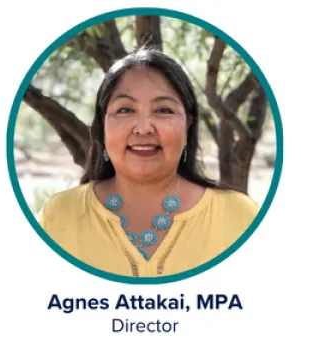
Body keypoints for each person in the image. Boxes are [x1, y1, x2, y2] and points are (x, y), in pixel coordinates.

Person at [39, 47, 259, 277]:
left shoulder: (240, 216)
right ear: (102, 127)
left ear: (188, 126)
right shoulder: (59, 215)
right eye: (125, 110)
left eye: (163, 110)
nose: (143, 129)